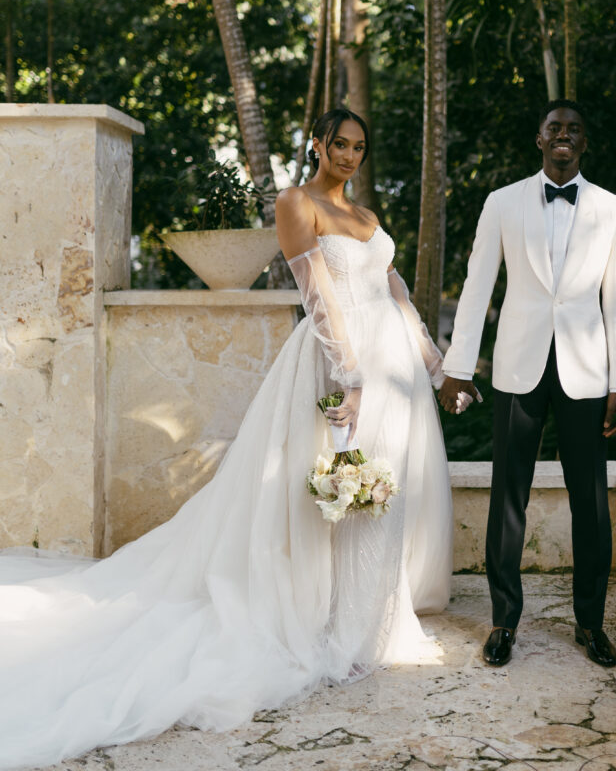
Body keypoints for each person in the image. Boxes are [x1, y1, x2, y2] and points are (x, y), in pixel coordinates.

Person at [0, 108, 452, 771]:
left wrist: (433, 363)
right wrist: (348, 376)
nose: (350, 156)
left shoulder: (365, 216)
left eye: (359, 147)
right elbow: (318, 293)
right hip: (340, 360)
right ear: (318, 146)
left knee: (378, 485)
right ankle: (335, 622)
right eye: (340, 145)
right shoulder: (296, 203)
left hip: (394, 367)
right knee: (337, 485)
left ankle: (372, 610)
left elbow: (395, 291)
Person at [438, 100, 616, 669]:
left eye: (575, 129)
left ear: (584, 142)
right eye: (555, 128)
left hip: (587, 374)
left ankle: (590, 623)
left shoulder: (613, 210)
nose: (564, 136)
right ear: (539, 139)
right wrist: (458, 366)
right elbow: (477, 286)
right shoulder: (503, 202)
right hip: (518, 368)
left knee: (592, 503)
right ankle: (503, 621)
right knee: (509, 498)